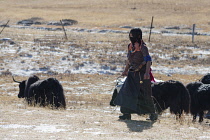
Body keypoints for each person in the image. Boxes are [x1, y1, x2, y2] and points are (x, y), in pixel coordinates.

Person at [114, 28, 158, 121]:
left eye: (132, 35)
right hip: (132, 74)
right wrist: (125, 70)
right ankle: (126, 114)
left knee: (145, 94)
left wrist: (146, 73)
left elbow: (148, 60)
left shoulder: (143, 47)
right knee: (126, 92)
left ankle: (153, 114)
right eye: (130, 35)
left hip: (142, 75)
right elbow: (129, 60)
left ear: (138, 36)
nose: (131, 37)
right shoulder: (130, 46)